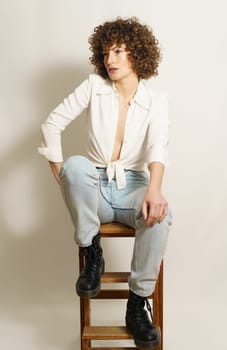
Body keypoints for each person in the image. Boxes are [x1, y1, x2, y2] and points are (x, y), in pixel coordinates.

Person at [38, 17, 172, 349]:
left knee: (162, 215)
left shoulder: (156, 100)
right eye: (106, 52)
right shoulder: (93, 86)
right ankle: (92, 253)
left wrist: (154, 189)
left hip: (132, 186)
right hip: (93, 185)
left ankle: (137, 304)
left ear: (137, 54)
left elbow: (158, 146)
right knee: (77, 165)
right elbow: (52, 123)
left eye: (119, 51)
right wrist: (61, 168)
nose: (110, 59)